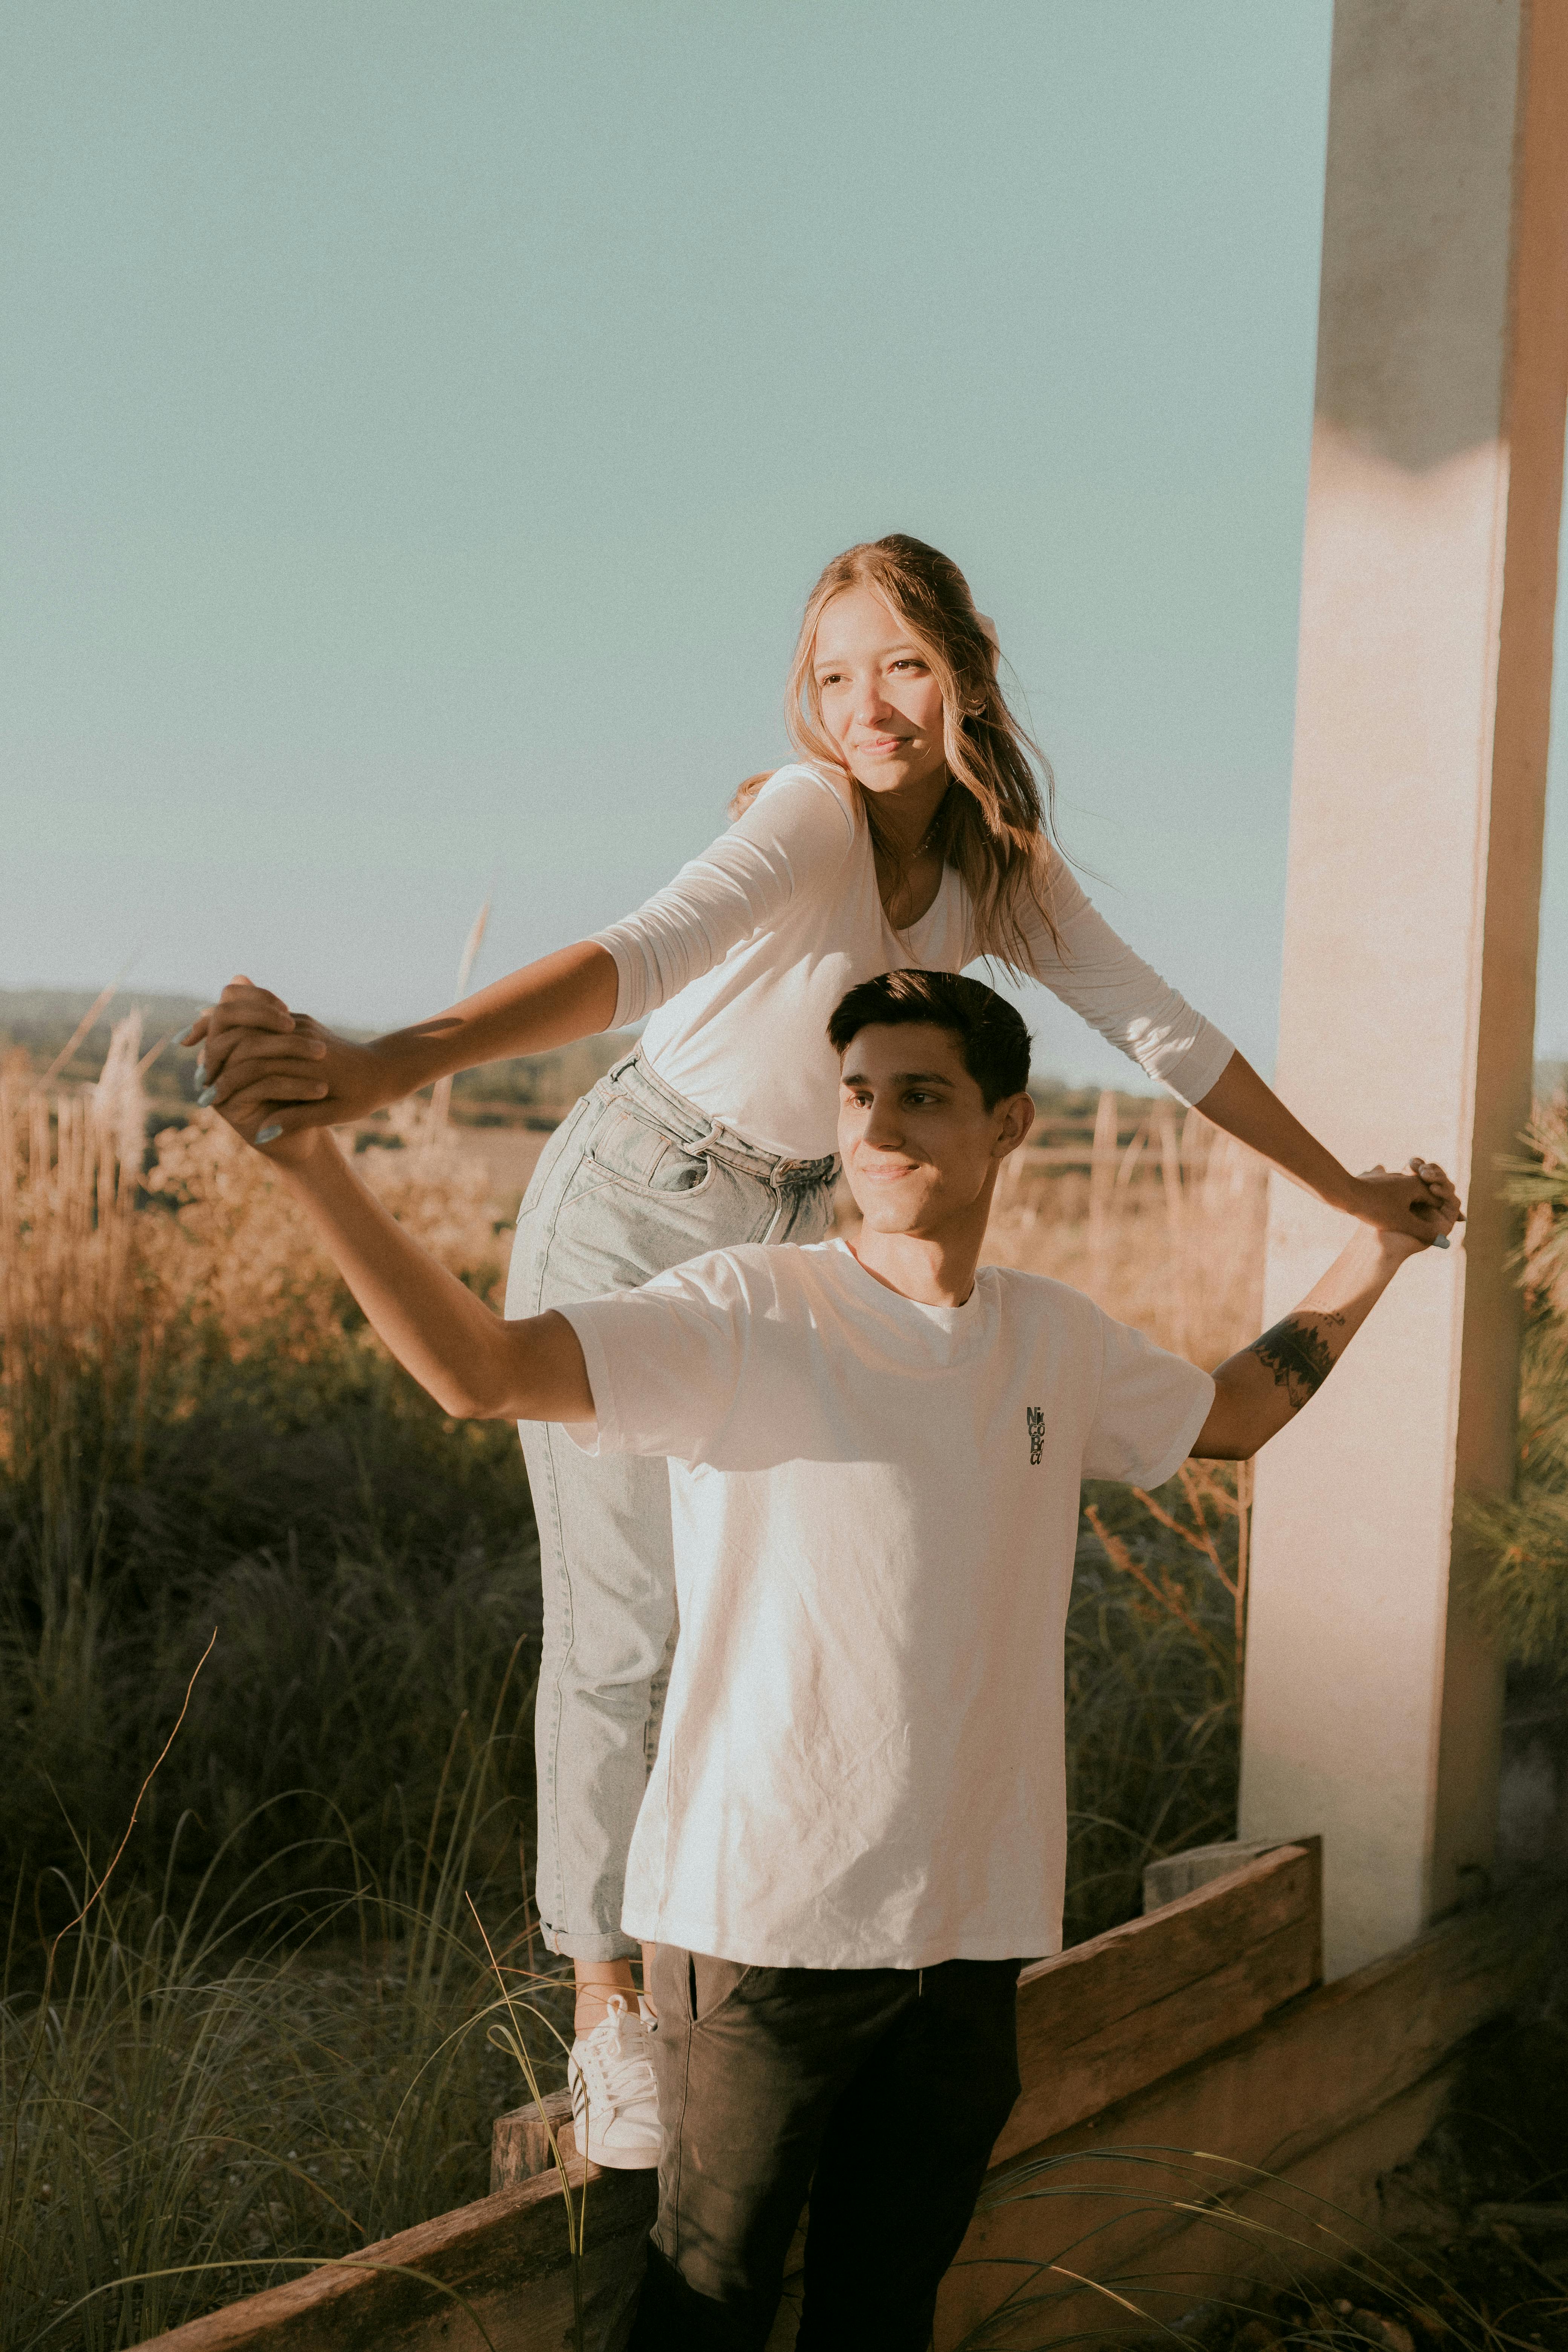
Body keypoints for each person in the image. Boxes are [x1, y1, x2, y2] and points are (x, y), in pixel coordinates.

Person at [184, 535, 1461, 2163]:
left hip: (804, 1223)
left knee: (763, 1613)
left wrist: (1343, 1189)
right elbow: (632, 958)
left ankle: (781, 1959)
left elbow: (1165, 1036)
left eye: (903, 666)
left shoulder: (995, 871)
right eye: (836, 671)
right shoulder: (802, 817)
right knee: (628, 1627)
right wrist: (388, 1067)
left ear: (966, 677)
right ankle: (605, 2012)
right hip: (647, 1200)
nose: (867, 705)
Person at [211, 966, 1456, 2351]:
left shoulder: (1053, 1337)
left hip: (974, 1934)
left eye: (922, 1096)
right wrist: (312, 1166)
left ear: (1010, 1127)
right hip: (759, 1936)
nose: (878, 1130)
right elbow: (485, 1374)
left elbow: (1231, 1415)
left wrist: (1376, 1257)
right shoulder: (744, 1311)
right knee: (704, 2310)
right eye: (858, 1096)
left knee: (883, 2312)